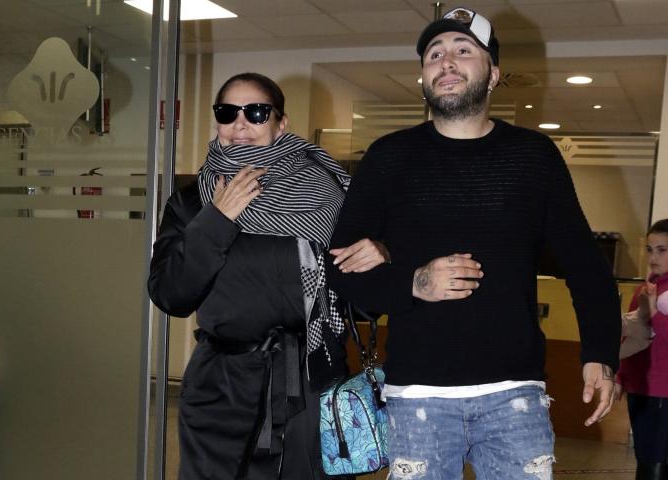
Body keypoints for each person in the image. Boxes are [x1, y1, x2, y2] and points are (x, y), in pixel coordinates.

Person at [326, 7, 621, 479]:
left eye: (463, 51)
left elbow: (586, 266)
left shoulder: (534, 156)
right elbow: (339, 270)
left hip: (515, 395)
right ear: (424, 77)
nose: (446, 62)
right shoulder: (388, 157)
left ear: (494, 74)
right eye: (434, 54)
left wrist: (600, 354)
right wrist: (414, 282)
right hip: (417, 395)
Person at [148, 72, 388, 480]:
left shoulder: (327, 196)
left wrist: (380, 258)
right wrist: (218, 219)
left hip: (310, 384)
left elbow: (363, 305)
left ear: (281, 123)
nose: (240, 124)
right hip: (221, 391)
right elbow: (170, 294)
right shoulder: (195, 200)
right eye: (227, 112)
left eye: (257, 112)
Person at [616, 219, 668, 480]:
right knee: (645, 459)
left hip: (663, 391)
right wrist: (619, 377)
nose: (653, 257)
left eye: (662, 250)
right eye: (649, 249)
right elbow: (632, 340)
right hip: (639, 389)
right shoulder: (644, 289)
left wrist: (655, 312)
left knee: (655, 462)